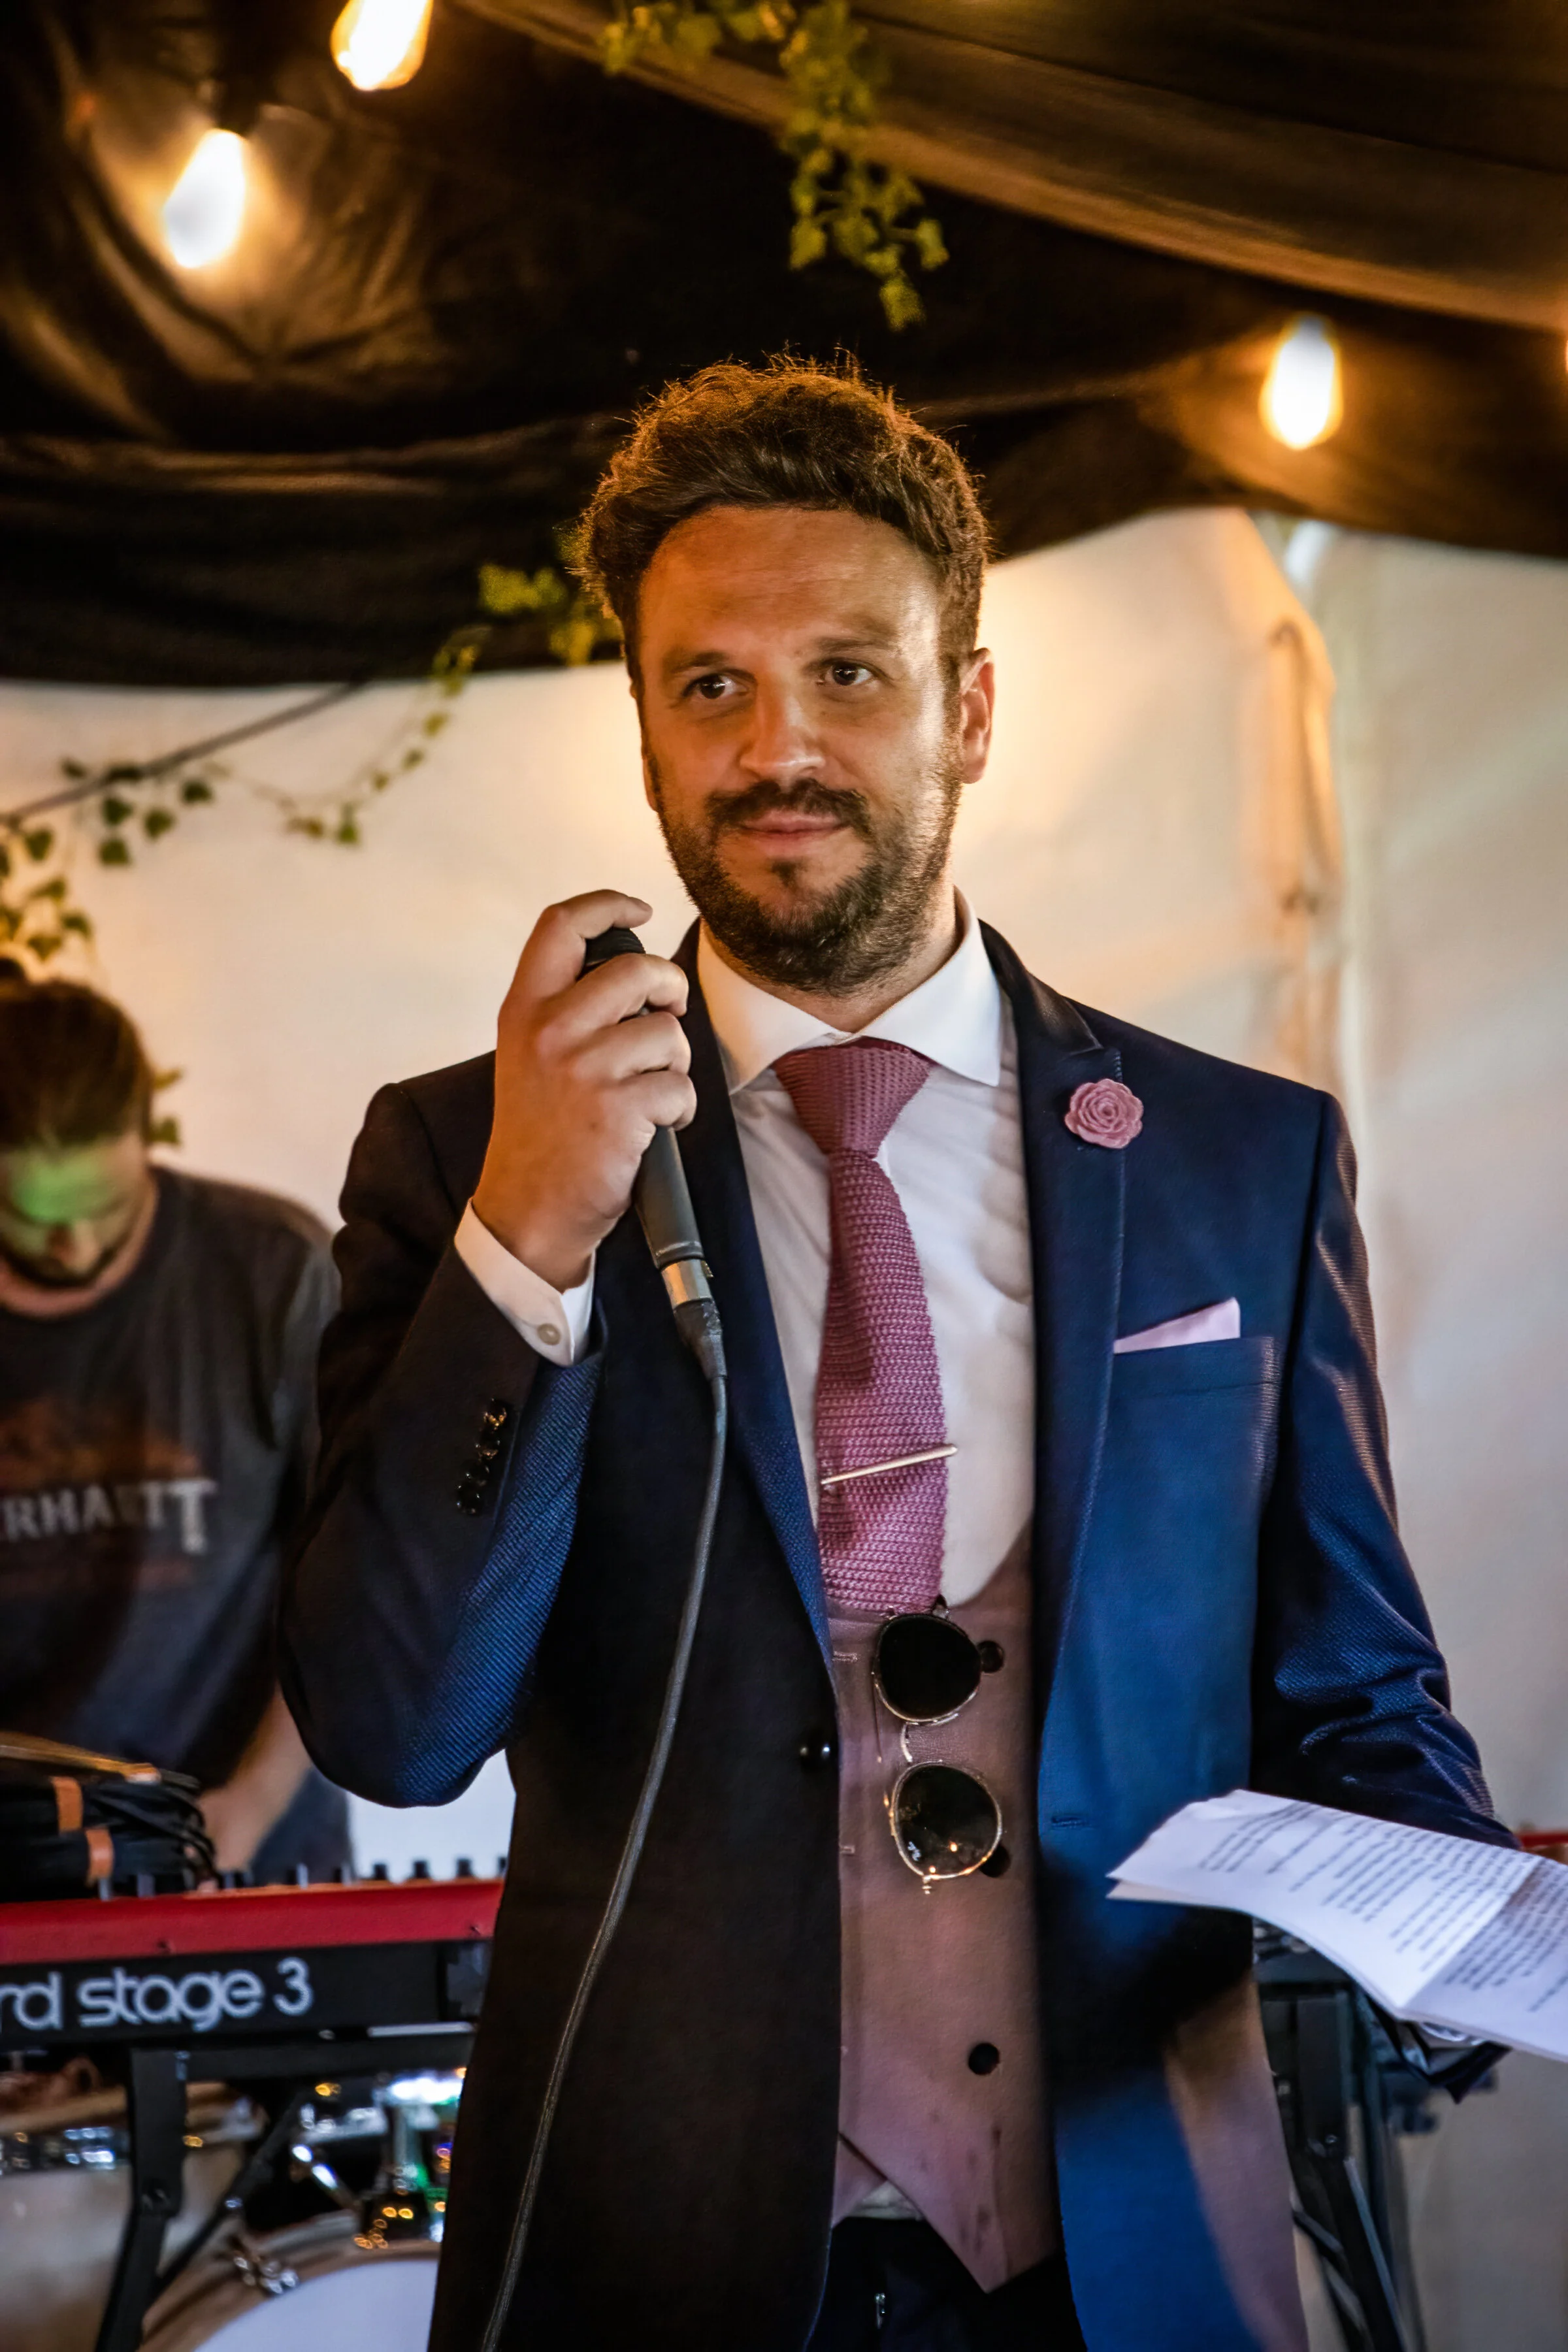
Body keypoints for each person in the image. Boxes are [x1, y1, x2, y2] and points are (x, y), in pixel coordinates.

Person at [281, 360, 1507, 2351]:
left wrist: (1468, 1945)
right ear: (646, 735)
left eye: (848, 674)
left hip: (1132, 2256)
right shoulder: (463, 1151)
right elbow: (392, 1731)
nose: (778, 748)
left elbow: (1356, 1690)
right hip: (656, 2253)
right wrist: (529, 1238)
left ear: (972, 709)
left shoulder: (1237, 1163)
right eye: (712, 687)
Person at [0, 973, 346, 1882]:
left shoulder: (274, 1272)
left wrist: (251, 1806)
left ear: (147, 1144)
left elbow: (356, 1572)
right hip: (21, 1858)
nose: (74, 1246)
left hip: (255, 1848)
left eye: (104, 1211)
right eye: (31, 1218)